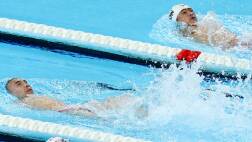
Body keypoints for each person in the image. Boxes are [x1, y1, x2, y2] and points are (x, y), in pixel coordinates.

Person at [5, 78, 147, 118]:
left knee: (122, 99)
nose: (26, 85)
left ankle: (147, 110)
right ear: (11, 92)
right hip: (70, 111)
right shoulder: (20, 104)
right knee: (113, 116)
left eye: (26, 82)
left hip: (76, 106)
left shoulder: (35, 97)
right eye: (19, 84)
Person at [169, 4, 252, 49]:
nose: (191, 13)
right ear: (177, 19)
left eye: (191, 10)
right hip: (234, 45)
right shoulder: (187, 32)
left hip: (237, 42)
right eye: (184, 13)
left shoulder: (201, 23)